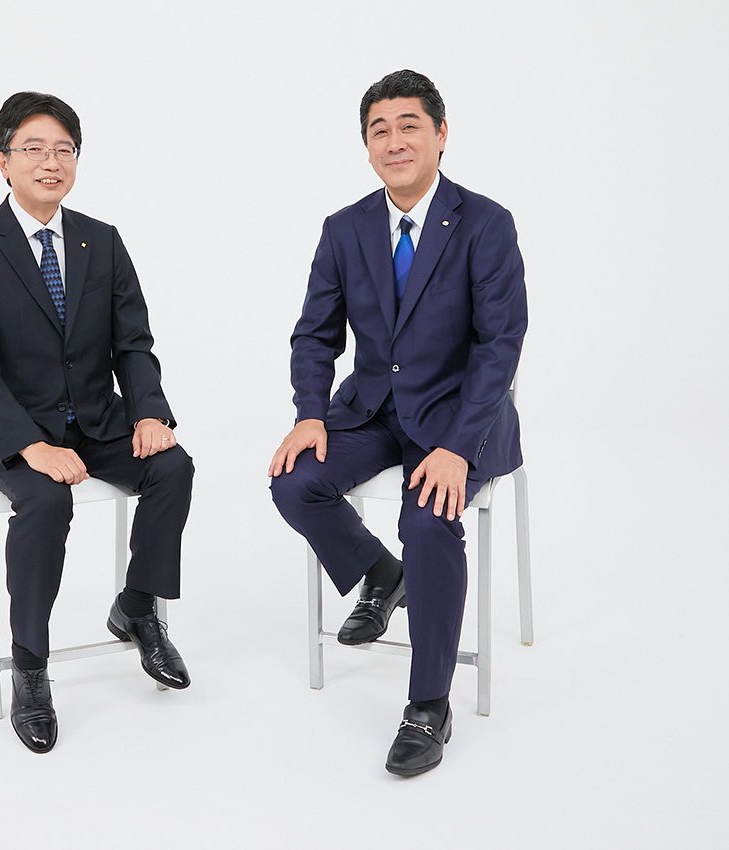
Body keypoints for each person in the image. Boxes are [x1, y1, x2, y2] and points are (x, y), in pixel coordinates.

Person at [269, 70, 527, 776]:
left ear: (441, 134)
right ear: (366, 146)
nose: (394, 141)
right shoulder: (345, 228)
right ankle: (382, 575)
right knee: (294, 482)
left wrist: (457, 447)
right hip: (371, 408)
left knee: (427, 520)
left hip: (459, 415)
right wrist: (309, 414)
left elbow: (499, 345)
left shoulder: (485, 223)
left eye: (409, 125)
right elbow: (314, 335)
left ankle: (428, 704)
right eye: (378, 130)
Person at [0, 91, 194, 754]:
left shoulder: (101, 241)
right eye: (33, 149)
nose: (50, 162)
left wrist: (148, 412)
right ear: (3, 161)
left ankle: (137, 608)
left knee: (173, 467)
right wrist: (29, 444)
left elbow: (132, 343)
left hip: (95, 420)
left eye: (63, 149)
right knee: (47, 502)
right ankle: (29, 666)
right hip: (10, 431)